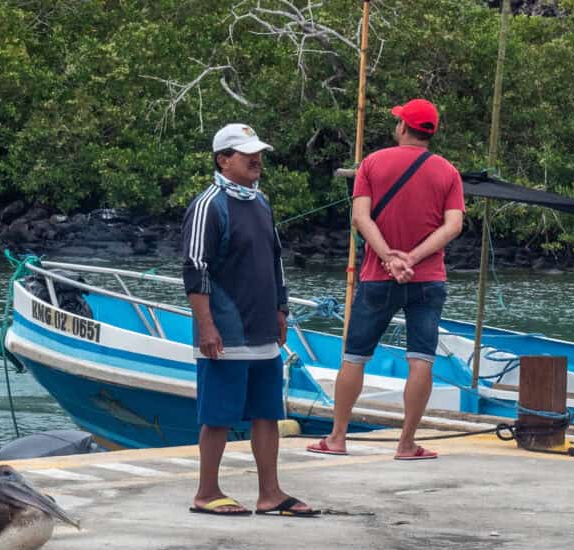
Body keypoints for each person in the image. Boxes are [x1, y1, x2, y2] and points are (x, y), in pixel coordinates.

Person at [308, 98, 464, 460]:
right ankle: (407, 443)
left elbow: (362, 218)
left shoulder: (373, 163)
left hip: (378, 276)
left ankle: (337, 438)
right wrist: (413, 257)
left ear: (403, 127)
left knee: (354, 357)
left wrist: (389, 257)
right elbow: (453, 225)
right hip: (427, 278)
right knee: (421, 359)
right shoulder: (448, 172)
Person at [182, 123, 318, 517]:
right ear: (224, 160)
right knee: (218, 414)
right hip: (225, 329)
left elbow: (275, 261)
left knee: (267, 412)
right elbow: (195, 269)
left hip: (262, 328)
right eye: (246, 154)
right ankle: (206, 491)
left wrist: (281, 309)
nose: (256, 160)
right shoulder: (209, 204)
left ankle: (270, 492)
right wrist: (206, 325)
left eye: (257, 153)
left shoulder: (261, 202)